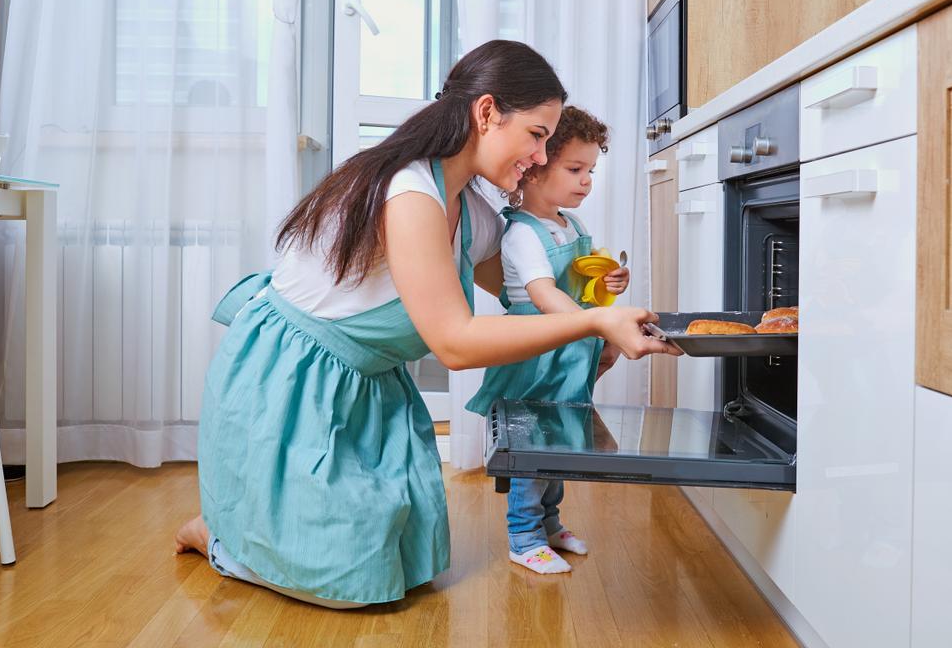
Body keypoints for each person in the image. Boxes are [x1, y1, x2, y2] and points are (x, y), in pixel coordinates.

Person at [173, 40, 680, 608]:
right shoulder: (409, 193)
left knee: (409, 567)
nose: (540, 157)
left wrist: (601, 308)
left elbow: (529, 301)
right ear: (487, 113)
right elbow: (456, 343)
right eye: (537, 135)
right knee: (350, 589)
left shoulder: (476, 214)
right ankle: (218, 541)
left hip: (366, 384)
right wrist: (596, 326)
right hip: (291, 381)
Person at [465, 105, 624, 574]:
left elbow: (585, 283)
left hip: (570, 349)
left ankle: (550, 523)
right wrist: (598, 328)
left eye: (590, 170)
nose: (586, 180)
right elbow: (543, 293)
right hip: (537, 353)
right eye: (575, 169)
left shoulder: (571, 226)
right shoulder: (520, 234)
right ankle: (524, 535)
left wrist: (611, 283)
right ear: (532, 171)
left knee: (561, 439)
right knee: (534, 445)